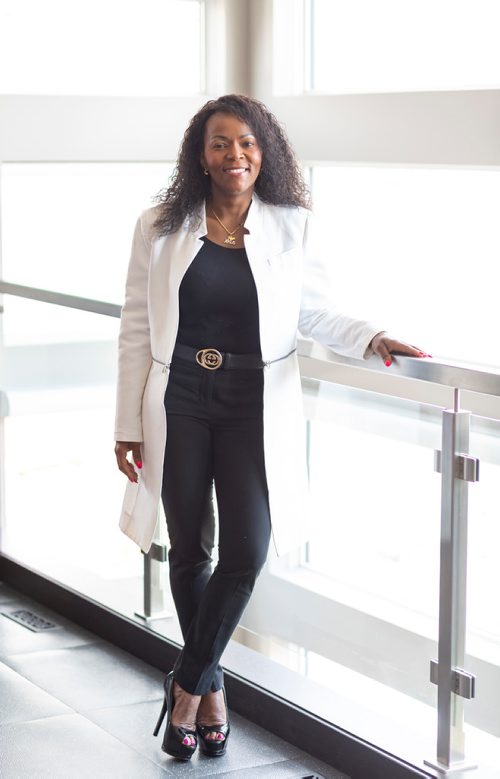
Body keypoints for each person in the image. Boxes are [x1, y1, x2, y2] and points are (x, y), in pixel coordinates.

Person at [114, 94, 427, 761]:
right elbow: (136, 330)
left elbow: (316, 314)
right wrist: (125, 424)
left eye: (248, 143)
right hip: (180, 399)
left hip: (254, 403)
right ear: (201, 155)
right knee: (191, 548)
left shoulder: (293, 227)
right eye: (222, 143)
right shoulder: (160, 225)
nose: (237, 155)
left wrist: (371, 335)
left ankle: (187, 689)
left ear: (266, 152)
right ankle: (212, 691)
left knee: (247, 551)